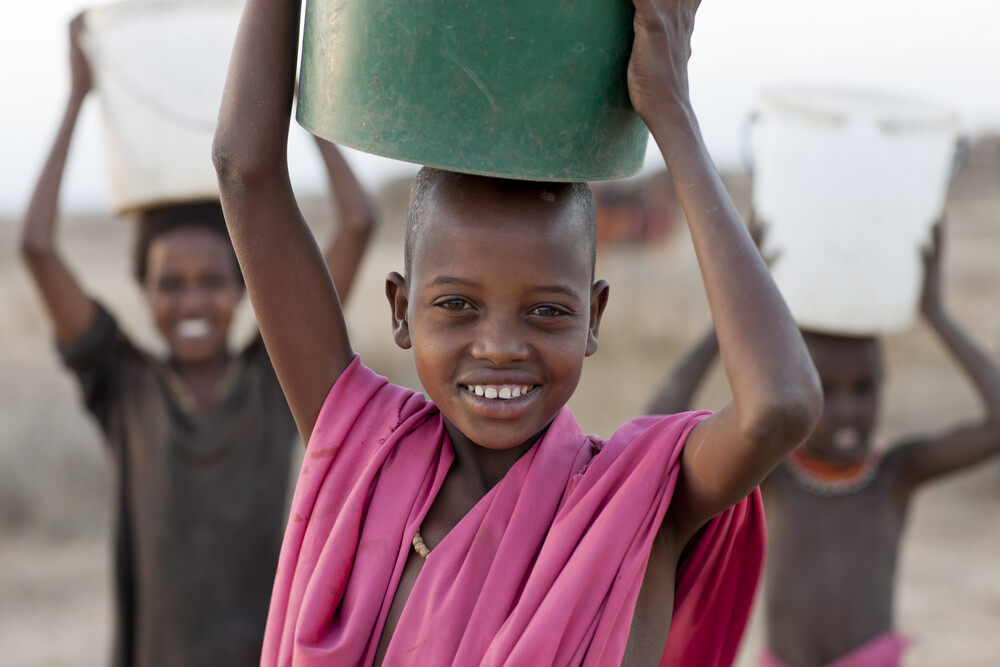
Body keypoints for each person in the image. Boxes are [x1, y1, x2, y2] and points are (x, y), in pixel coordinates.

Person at [212, 0, 822, 664]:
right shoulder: (364, 450)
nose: (499, 345)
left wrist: (671, 110)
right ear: (400, 309)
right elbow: (245, 172)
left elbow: (779, 404)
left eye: (546, 311)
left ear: (595, 317)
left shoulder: (637, 505)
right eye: (457, 305)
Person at [18, 14, 377, 667]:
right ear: (145, 292)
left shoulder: (278, 378)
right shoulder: (121, 382)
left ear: (245, 289)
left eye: (212, 280)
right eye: (170, 284)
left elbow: (359, 220)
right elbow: (36, 246)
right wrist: (77, 96)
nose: (191, 301)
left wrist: (298, 108)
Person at [647, 222, 1000, 667]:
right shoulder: (771, 474)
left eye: (863, 388)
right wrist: (735, 310)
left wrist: (936, 314)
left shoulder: (896, 474)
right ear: (797, 390)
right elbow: (655, 424)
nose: (847, 409)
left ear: (884, 385)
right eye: (826, 390)